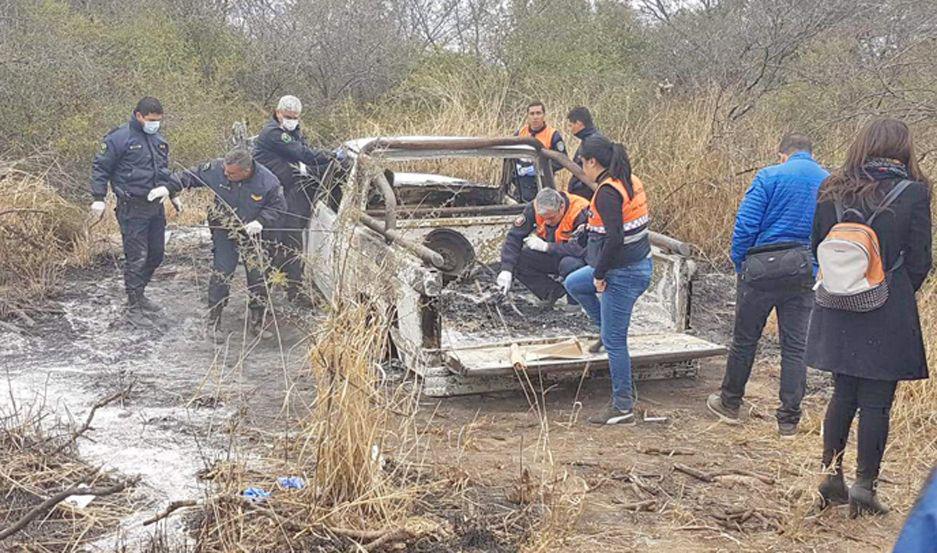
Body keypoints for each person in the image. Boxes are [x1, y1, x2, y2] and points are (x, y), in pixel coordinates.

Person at [809, 119, 931, 517]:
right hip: (888, 307)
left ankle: (830, 475)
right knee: (877, 401)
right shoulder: (913, 192)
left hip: (837, 304)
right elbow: (920, 261)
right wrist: (890, 291)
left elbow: (817, 247)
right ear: (902, 149)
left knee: (842, 392)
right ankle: (865, 485)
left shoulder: (831, 187)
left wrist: (847, 284)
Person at [706, 133, 829, 437]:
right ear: (810, 154)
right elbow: (830, 230)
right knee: (795, 347)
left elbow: (746, 224)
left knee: (745, 339)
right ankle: (788, 420)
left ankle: (730, 403)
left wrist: (740, 264)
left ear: (782, 154)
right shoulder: (829, 183)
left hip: (759, 272)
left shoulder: (769, 175)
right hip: (802, 272)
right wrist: (814, 266)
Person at [563, 135, 652, 425]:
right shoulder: (630, 180)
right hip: (635, 264)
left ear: (592, 162)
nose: (581, 170)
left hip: (622, 271)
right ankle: (604, 328)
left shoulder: (607, 192)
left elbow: (615, 238)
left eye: (582, 164)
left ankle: (622, 404)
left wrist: (600, 274)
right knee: (575, 283)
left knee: (616, 342)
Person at [174, 149, 286, 339]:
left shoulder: (268, 182)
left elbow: (279, 206)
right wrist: (169, 187)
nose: (226, 175)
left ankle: (256, 321)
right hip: (224, 229)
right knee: (222, 272)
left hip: (253, 233)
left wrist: (261, 221)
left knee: (258, 274)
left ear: (246, 170)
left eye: (231, 173)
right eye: (225, 171)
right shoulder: (218, 169)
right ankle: (214, 321)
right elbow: (190, 175)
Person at [90, 97, 181, 327]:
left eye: (158, 120)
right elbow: (101, 168)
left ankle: (140, 294)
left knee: (156, 255)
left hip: (155, 206)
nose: (155, 124)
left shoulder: (159, 140)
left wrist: (173, 194)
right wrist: (98, 198)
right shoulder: (119, 138)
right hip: (132, 207)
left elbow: (163, 171)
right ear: (139, 115)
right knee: (136, 257)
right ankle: (133, 305)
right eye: (151, 120)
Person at [252, 95, 335, 306]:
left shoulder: (292, 131)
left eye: (295, 117)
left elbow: (302, 156)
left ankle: (292, 291)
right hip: (270, 198)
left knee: (290, 243)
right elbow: (303, 154)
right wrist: (331, 155)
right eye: (288, 116)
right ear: (278, 113)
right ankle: (261, 301)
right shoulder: (274, 133)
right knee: (277, 246)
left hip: (287, 193)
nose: (292, 120)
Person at [497, 188, 589, 310]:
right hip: (551, 255)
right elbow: (514, 237)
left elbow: (582, 249)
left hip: (576, 258)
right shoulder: (533, 208)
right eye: (543, 218)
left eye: (551, 218)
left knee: (569, 264)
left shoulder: (580, 210)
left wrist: (547, 247)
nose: (546, 222)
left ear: (561, 207)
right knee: (518, 259)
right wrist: (506, 269)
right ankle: (554, 294)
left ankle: (575, 302)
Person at [512, 101, 566, 202]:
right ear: (527, 116)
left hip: (543, 184)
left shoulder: (553, 135)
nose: (535, 117)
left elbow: (561, 160)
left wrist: (541, 168)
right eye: (532, 114)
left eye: (538, 113)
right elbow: (510, 159)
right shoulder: (519, 134)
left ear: (544, 115)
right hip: (521, 186)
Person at [566, 107, 602, 200]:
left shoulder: (592, 143)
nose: (570, 129)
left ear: (579, 123)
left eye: (570, 125)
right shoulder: (590, 139)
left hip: (586, 195)